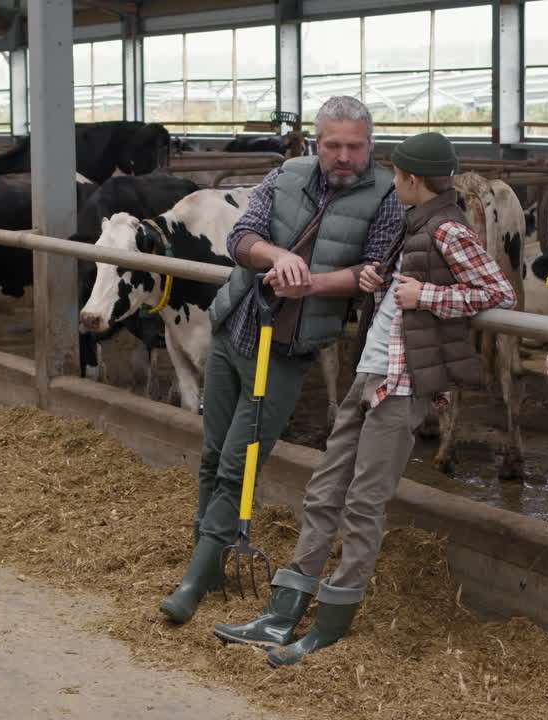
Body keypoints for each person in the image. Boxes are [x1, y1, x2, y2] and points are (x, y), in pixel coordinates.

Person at [213, 132, 516, 666]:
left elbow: (499, 291)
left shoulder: (448, 228)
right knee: (325, 488)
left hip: (400, 387)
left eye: (396, 175)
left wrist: (428, 296)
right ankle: (283, 611)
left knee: (363, 502)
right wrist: (381, 280)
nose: (390, 182)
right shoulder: (413, 223)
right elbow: (402, 291)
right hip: (371, 373)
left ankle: (329, 622)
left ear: (413, 180)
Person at [158, 96, 405, 625]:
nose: (343, 156)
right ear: (318, 143)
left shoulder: (387, 196)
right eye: (333, 145)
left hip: (289, 345)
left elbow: (375, 271)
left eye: (354, 146)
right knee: (212, 452)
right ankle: (212, 559)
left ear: (371, 145)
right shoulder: (286, 174)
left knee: (238, 463)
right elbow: (239, 238)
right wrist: (278, 256)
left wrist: (311, 282)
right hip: (235, 325)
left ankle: (194, 582)